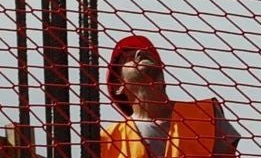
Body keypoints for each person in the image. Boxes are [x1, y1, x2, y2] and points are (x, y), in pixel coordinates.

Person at [102, 35, 242, 158]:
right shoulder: (107, 141)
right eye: (129, 56)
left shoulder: (206, 115)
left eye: (147, 53)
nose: (140, 52)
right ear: (117, 86)